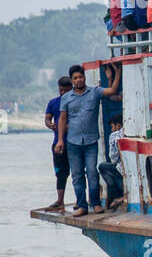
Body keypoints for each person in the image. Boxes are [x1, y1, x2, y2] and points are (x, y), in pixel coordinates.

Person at [54, 63, 122, 217]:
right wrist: (60, 140)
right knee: (77, 174)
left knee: (92, 172)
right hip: (73, 142)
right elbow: (62, 119)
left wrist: (116, 74)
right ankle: (82, 205)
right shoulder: (66, 98)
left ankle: (96, 203)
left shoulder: (94, 92)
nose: (79, 80)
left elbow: (112, 90)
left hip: (91, 141)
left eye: (81, 77)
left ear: (84, 77)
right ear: (72, 80)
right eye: (75, 78)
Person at [44, 75, 73, 210]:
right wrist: (50, 125)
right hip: (58, 143)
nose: (63, 93)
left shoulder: (75, 102)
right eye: (61, 90)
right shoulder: (53, 103)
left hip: (75, 143)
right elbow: (48, 118)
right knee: (60, 173)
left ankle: (81, 200)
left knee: (78, 172)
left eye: (66, 91)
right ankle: (60, 200)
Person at [98, 114, 126, 209]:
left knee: (102, 167)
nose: (111, 129)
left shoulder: (114, 135)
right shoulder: (129, 131)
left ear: (118, 125)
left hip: (123, 168)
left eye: (112, 127)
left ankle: (117, 195)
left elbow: (113, 159)